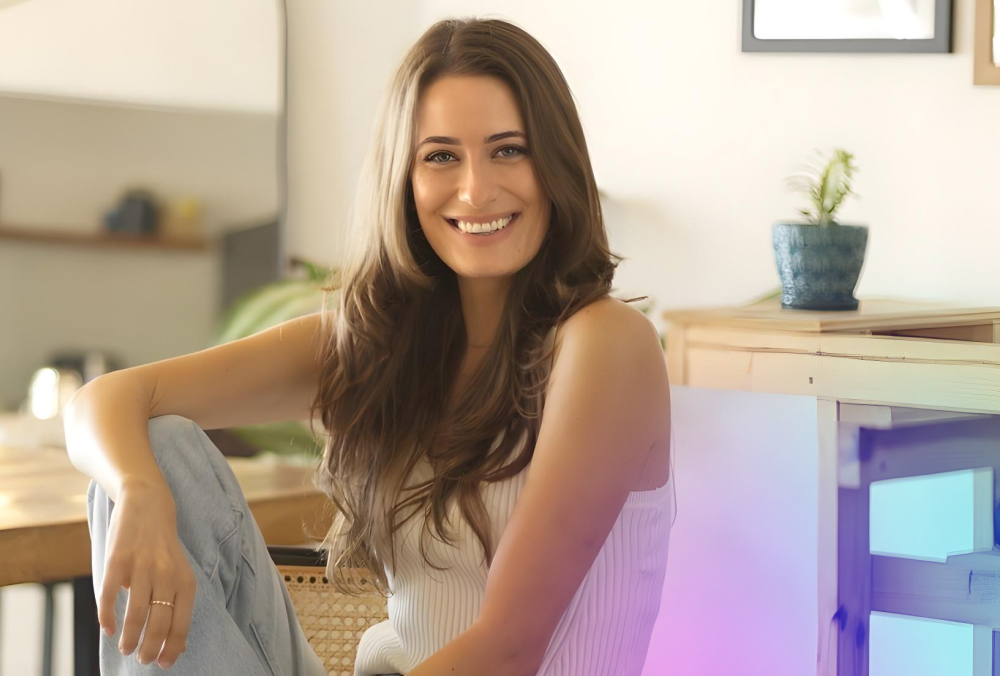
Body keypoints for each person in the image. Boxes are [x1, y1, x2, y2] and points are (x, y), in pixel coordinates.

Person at [65, 16, 674, 676]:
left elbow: (509, 647)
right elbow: (106, 399)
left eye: (508, 150)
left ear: (556, 163)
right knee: (155, 453)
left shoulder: (605, 345)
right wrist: (139, 492)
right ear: (404, 179)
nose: (476, 189)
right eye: (441, 156)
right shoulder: (374, 345)